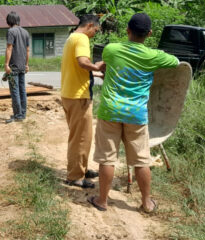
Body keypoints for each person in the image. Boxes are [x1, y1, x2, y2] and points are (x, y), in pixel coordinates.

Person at [87, 13, 179, 213]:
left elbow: (106, 63)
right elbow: (175, 61)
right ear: (149, 33)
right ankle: (146, 203)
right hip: (136, 115)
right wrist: (155, 55)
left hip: (110, 111)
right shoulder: (154, 56)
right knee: (141, 160)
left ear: (127, 30)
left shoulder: (111, 50)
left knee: (107, 159)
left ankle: (102, 201)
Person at [61, 14, 105, 188]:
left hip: (70, 93)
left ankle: (82, 168)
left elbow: (77, 68)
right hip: (78, 96)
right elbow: (82, 62)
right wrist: (97, 66)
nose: (95, 33)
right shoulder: (82, 38)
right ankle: (75, 176)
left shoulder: (71, 37)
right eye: (95, 29)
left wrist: (95, 73)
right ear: (89, 25)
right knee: (80, 138)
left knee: (83, 136)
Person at [4, 11, 30, 124]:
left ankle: (18, 115)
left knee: (14, 91)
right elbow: (28, 50)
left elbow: (9, 48)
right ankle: (22, 113)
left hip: (13, 66)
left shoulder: (11, 31)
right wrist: (26, 64)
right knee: (22, 90)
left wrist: (6, 64)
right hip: (22, 66)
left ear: (9, 21)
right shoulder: (25, 32)